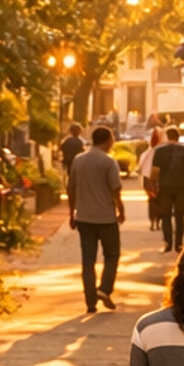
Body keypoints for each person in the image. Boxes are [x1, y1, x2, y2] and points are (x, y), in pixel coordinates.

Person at [68, 125, 125, 314]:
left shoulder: (78, 160)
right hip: (106, 218)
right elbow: (115, 190)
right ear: (108, 141)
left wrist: (72, 213)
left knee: (88, 260)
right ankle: (104, 289)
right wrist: (121, 210)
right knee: (112, 255)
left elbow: (71, 188)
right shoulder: (109, 162)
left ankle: (90, 301)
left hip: (84, 217)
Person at [151, 125, 184, 252]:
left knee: (166, 216)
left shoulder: (159, 151)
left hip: (165, 188)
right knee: (179, 216)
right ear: (178, 137)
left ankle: (168, 243)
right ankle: (179, 244)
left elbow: (155, 171)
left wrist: (153, 185)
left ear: (167, 136)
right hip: (182, 187)